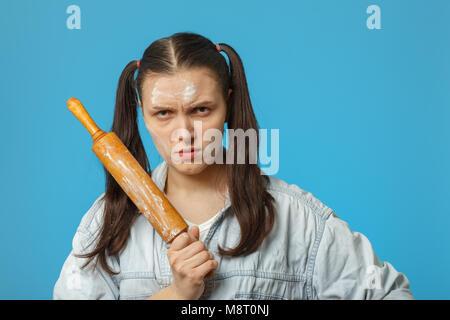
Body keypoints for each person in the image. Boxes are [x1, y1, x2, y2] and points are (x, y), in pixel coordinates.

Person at [53, 32, 414, 300]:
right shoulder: (106, 225)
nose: (184, 133)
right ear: (142, 115)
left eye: (201, 110)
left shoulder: (297, 220)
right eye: (163, 113)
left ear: (227, 106)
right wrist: (176, 296)